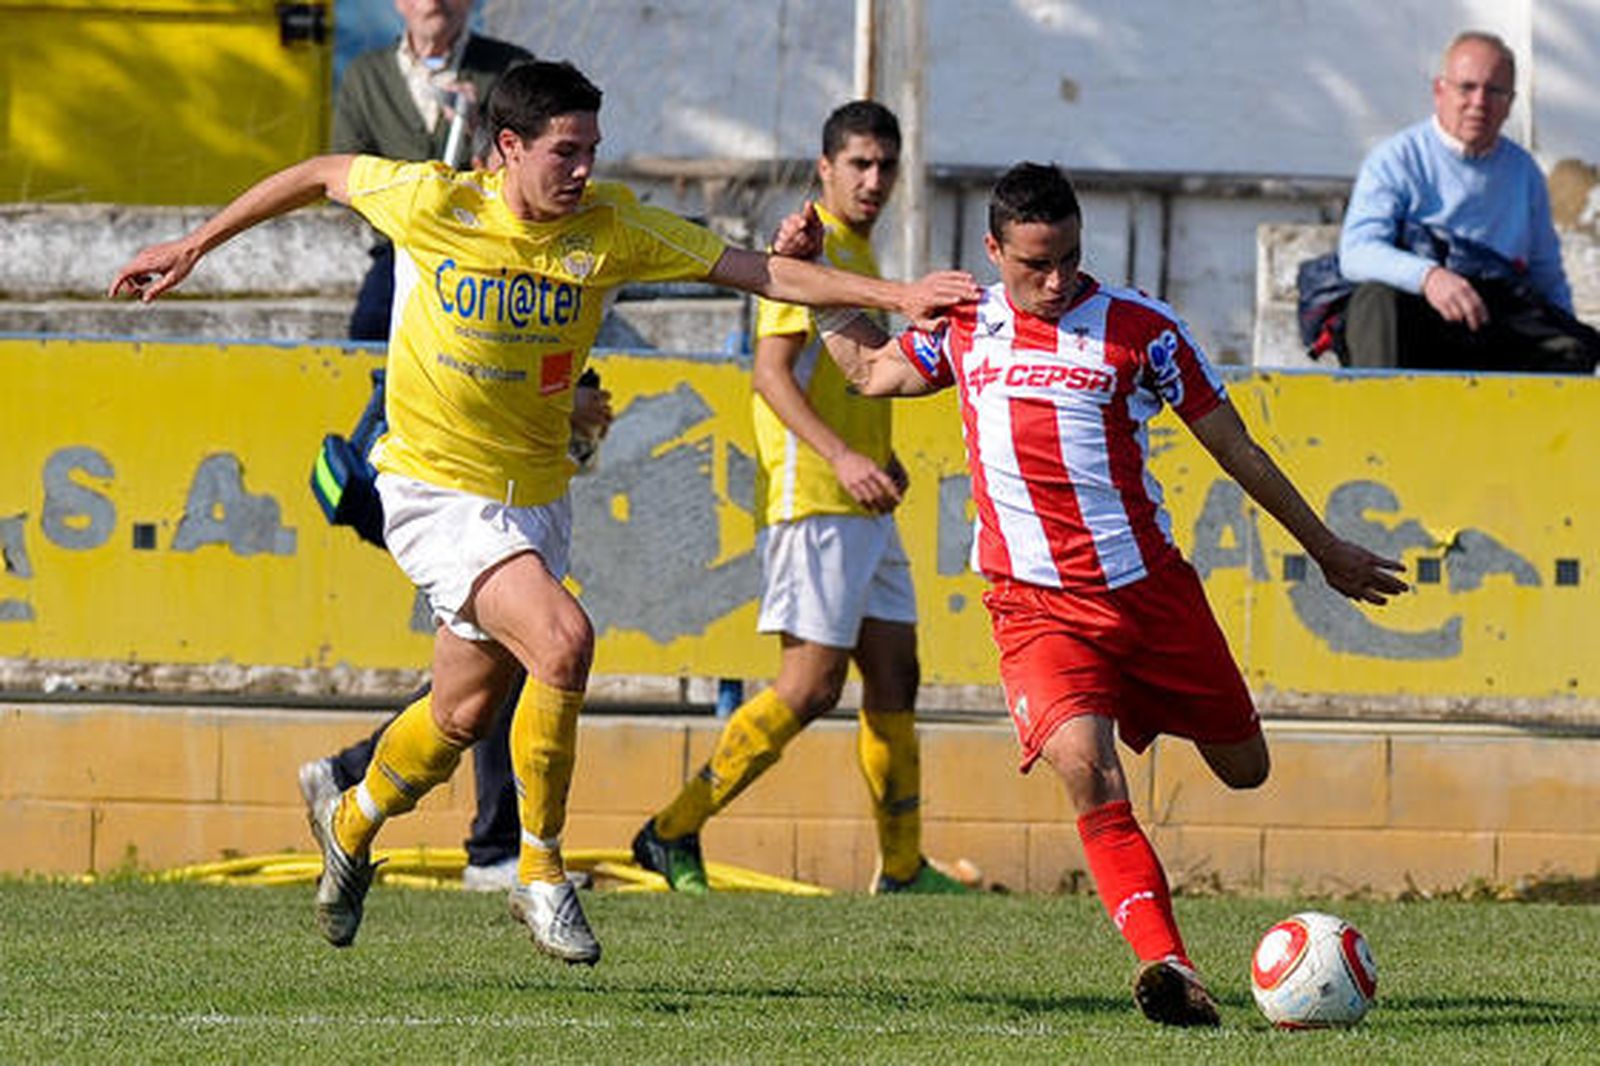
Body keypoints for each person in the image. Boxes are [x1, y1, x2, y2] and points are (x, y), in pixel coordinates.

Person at [109, 59, 976, 965]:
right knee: (564, 640)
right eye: (565, 151)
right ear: (508, 147)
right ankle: (540, 871)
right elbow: (321, 173)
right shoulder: (432, 201)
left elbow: (764, 274)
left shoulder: (612, 229)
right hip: (431, 487)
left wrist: (901, 297)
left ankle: (353, 814)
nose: (583, 170)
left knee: (460, 715)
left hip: (536, 494)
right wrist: (194, 245)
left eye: (593, 150)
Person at [799, 162, 1407, 1025]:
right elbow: (868, 372)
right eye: (1033, 266)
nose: (1054, 282)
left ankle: (1139, 703)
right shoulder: (967, 325)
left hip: (1149, 596)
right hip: (1034, 609)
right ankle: (1170, 967)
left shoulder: (1142, 330)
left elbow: (1233, 448)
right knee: (1088, 774)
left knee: (1245, 769)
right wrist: (820, 287)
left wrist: (1325, 548)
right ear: (992, 251)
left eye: (1070, 260)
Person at [631, 101, 965, 896]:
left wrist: (878, 456)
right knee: (809, 686)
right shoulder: (805, 248)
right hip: (814, 493)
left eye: (885, 164)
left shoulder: (856, 247)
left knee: (896, 672)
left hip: (863, 496)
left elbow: (857, 371)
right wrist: (845, 455)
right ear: (826, 168)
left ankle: (904, 867)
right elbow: (771, 374)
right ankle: (669, 830)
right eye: (859, 164)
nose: (873, 179)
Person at [302, 0, 535, 891]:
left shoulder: (506, 79)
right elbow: (343, 173)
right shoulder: (374, 97)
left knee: (491, 657)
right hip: (434, 477)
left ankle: (354, 782)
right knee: (520, 640)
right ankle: (505, 853)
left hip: (480, 469)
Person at [1338, 30, 1600, 373]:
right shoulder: (1396, 159)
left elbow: (1546, 274)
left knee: (1575, 344)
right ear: (1439, 91)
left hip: (1493, 319)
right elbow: (1357, 253)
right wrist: (1430, 277)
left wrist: (1566, 329)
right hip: (1420, 311)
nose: (1479, 103)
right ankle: (1378, 422)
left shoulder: (1524, 172)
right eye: (1467, 88)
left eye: (1494, 91)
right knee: (1376, 300)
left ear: (1510, 103)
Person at [336, 0, 532, 341]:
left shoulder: (511, 68)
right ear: (399, 3)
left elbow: (531, 169)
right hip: (401, 243)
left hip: (485, 242)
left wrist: (479, 132)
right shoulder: (365, 74)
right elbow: (346, 168)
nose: (434, 3)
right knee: (370, 331)